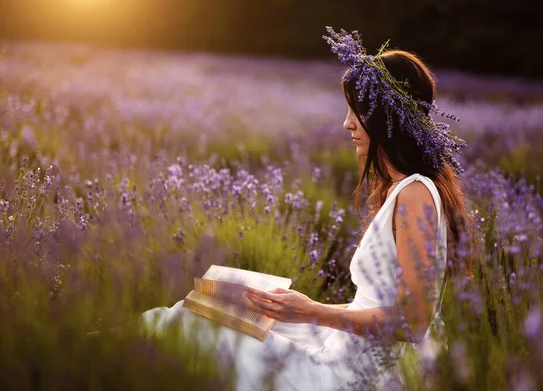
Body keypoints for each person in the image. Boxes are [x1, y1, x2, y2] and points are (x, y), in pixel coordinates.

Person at [141, 28, 474, 390]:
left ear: (385, 117)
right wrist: (303, 308)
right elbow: (382, 304)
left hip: (359, 376)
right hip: (347, 351)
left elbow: (415, 322)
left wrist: (313, 313)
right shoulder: (402, 189)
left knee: (193, 326)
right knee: (200, 307)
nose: (346, 123)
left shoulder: (415, 194)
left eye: (357, 111)